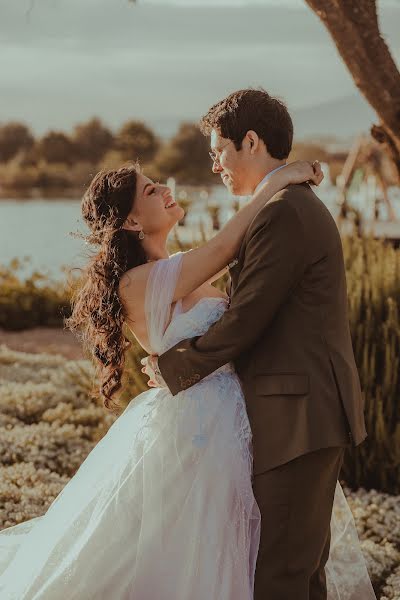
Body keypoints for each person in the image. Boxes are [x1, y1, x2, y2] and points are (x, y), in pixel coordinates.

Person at [0, 159, 335, 599]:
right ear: (133, 220)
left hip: (234, 416)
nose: (164, 190)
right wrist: (277, 181)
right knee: (195, 549)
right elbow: (226, 246)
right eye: (151, 190)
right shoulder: (137, 283)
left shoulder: (176, 268)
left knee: (241, 546)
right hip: (198, 430)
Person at [143, 89, 376, 600]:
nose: (214, 165)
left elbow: (247, 318)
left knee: (281, 577)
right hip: (296, 412)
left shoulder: (283, 212)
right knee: (297, 572)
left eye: (218, 151)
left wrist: (175, 365)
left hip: (298, 413)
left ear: (250, 141)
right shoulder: (283, 204)